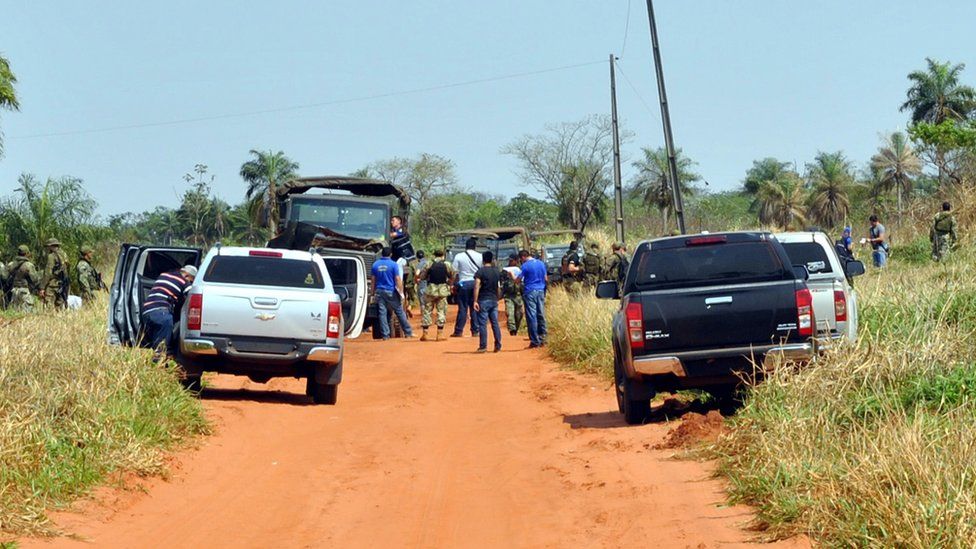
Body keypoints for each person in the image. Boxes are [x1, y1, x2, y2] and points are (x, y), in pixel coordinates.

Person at [142, 265, 197, 355]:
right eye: (191, 280)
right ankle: (159, 362)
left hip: (146, 311)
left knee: (156, 340)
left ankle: (158, 362)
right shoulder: (183, 281)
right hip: (161, 313)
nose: (190, 283)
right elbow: (191, 297)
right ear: (187, 276)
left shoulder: (163, 275)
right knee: (162, 345)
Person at [371, 247, 414, 340]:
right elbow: (398, 279)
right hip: (391, 291)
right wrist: (401, 292)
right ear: (390, 254)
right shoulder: (394, 265)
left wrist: (372, 293)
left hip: (379, 291)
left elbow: (373, 280)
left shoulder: (375, 265)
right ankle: (408, 332)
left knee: (382, 313)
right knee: (399, 311)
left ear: (382, 254)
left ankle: (385, 335)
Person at [418, 249, 454, 341]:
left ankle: (425, 334)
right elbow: (452, 275)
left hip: (430, 290)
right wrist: (450, 284)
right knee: (441, 311)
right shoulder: (447, 264)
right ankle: (439, 334)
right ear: (443, 255)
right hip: (442, 291)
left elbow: (422, 277)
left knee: (427, 311)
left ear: (434, 255)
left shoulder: (429, 264)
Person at [451, 238, 483, 337]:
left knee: (463, 308)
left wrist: (452, 284)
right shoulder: (480, 256)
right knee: (474, 307)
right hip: (475, 284)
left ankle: (458, 331)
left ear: (466, 246)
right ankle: (475, 331)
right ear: (475, 246)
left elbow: (454, 271)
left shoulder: (459, 256)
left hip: (463, 284)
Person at [518, 249, 548, 348]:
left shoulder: (525, 266)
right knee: (541, 314)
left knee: (532, 316)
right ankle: (543, 337)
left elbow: (518, 280)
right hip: (540, 291)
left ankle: (535, 340)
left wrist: (512, 276)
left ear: (523, 257)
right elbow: (546, 278)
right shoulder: (541, 264)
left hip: (530, 291)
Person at [473, 251, 503, 353]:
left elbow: (477, 286)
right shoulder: (496, 271)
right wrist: (498, 297)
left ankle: (483, 346)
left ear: (483, 259)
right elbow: (498, 287)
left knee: (482, 324)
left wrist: (475, 301)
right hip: (493, 300)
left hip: (483, 300)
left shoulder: (480, 272)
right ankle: (498, 345)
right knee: (495, 323)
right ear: (492, 259)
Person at [7, 245, 41, 312]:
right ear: (26, 253)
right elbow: (35, 279)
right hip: (24, 291)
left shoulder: (11, 264)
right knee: (27, 313)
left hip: (14, 291)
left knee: (15, 313)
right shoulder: (28, 265)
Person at [39, 238, 69, 309]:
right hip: (63, 283)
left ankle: (48, 318)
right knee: (60, 305)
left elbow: (48, 272)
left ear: (51, 246)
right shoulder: (64, 254)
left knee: (48, 305)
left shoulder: (51, 256)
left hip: (53, 284)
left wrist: (42, 287)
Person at [501, 254, 523, 336]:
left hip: (518, 295)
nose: (510, 262)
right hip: (508, 295)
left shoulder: (520, 270)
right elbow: (502, 283)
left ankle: (516, 328)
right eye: (509, 260)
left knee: (519, 314)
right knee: (510, 313)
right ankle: (512, 330)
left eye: (512, 260)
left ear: (516, 261)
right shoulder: (504, 270)